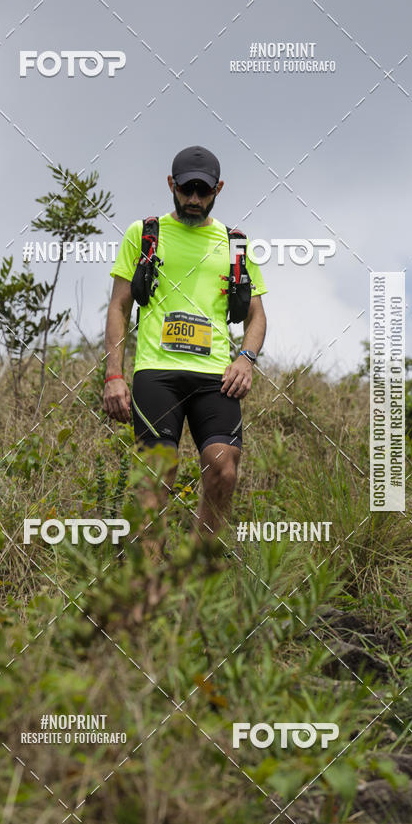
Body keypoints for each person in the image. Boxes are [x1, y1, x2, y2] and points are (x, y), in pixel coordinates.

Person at [103, 145, 267, 558]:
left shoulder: (235, 245)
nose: (194, 199)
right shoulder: (144, 235)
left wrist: (246, 359)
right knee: (159, 469)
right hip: (156, 371)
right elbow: (119, 305)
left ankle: (198, 568)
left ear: (218, 189)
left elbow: (257, 317)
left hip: (215, 375)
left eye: (204, 191)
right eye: (187, 189)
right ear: (171, 185)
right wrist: (114, 375)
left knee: (223, 467)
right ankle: (150, 577)